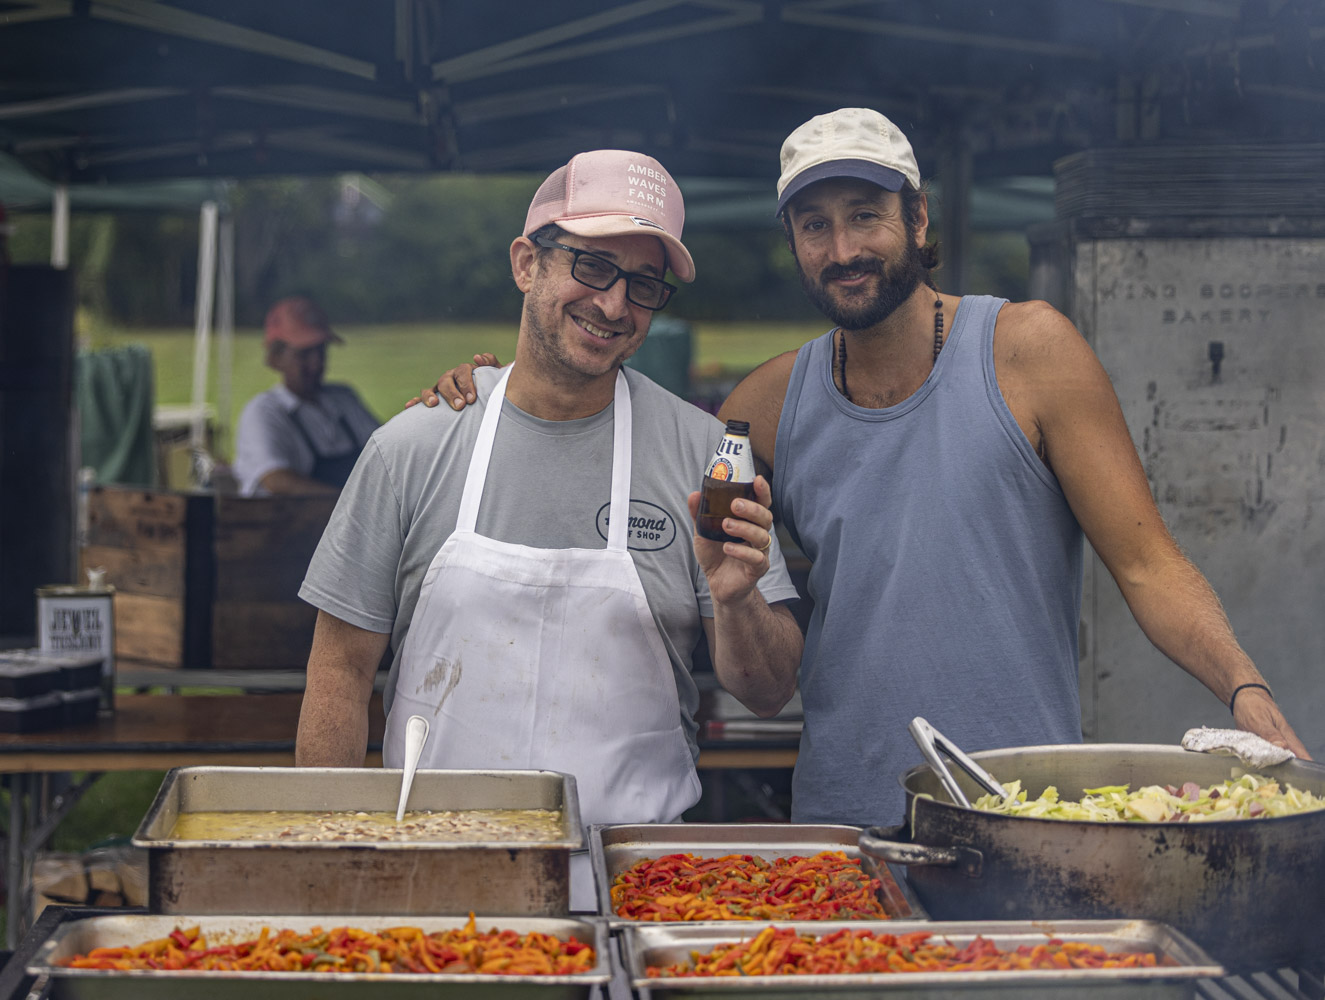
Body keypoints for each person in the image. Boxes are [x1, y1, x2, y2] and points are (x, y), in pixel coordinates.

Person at [422, 109, 1309, 828]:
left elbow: (1147, 565)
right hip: (844, 818)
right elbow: (623, 445)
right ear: (792, 241)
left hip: (1019, 806)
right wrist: (496, 389)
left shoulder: (1030, 352)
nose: (841, 247)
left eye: (863, 216)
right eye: (814, 225)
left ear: (916, 219)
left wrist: (1244, 688)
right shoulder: (764, 404)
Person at [295, 149, 803, 905]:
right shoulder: (414, 448)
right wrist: (324, 872)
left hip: (638, 889)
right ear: (526, 263)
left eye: (643, 284)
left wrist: (737, 601)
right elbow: (339, 673)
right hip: (434, 888)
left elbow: (768, 692)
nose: (614, 305)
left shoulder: (704, 457)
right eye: (592, 266)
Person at [233, 295, 380, 495]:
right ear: (277, 358)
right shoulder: (264, 412)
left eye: (321, 351)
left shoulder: (344, 399)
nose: (316, 363)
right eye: (304, 354)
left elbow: (385, 452)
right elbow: (276, 480)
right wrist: (351, 503)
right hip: (289, 516)